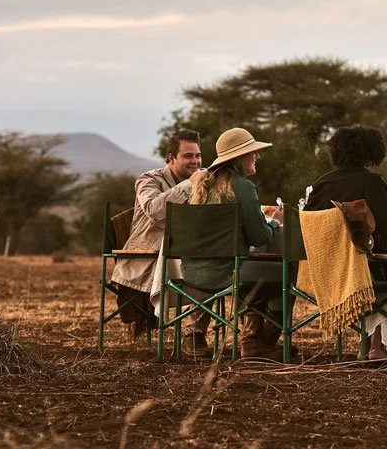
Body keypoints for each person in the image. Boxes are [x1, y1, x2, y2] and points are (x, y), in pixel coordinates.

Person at [304, 125, 387, 361]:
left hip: (325, 271)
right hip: (361, 271)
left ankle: (365, 344)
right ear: (371, 152)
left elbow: (308, 226)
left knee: (370, 265)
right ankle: (379, 347)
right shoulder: (372, 183)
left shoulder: (321, 184)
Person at [186, 127, 284, 359]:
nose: (257, 156)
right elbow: (259, 238)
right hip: (229, 274)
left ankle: (196, 336)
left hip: (192, 275)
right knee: (282, 273)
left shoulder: (203, 186)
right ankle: (257, 341)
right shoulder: (243, 187)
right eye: (253, 152)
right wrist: (274, 223)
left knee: (258, 273)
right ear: (239, 158)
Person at [111, 129, 207, 351]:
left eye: (198, 156)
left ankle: (194, 335)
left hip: (188, 252)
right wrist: (191, 184)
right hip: (149, 255)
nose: (195, 161)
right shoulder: (148, 180)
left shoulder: (203, 180)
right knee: (203, 265)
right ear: (171, 158)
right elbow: (154, 210)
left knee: (212, 265)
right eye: (188, 156)